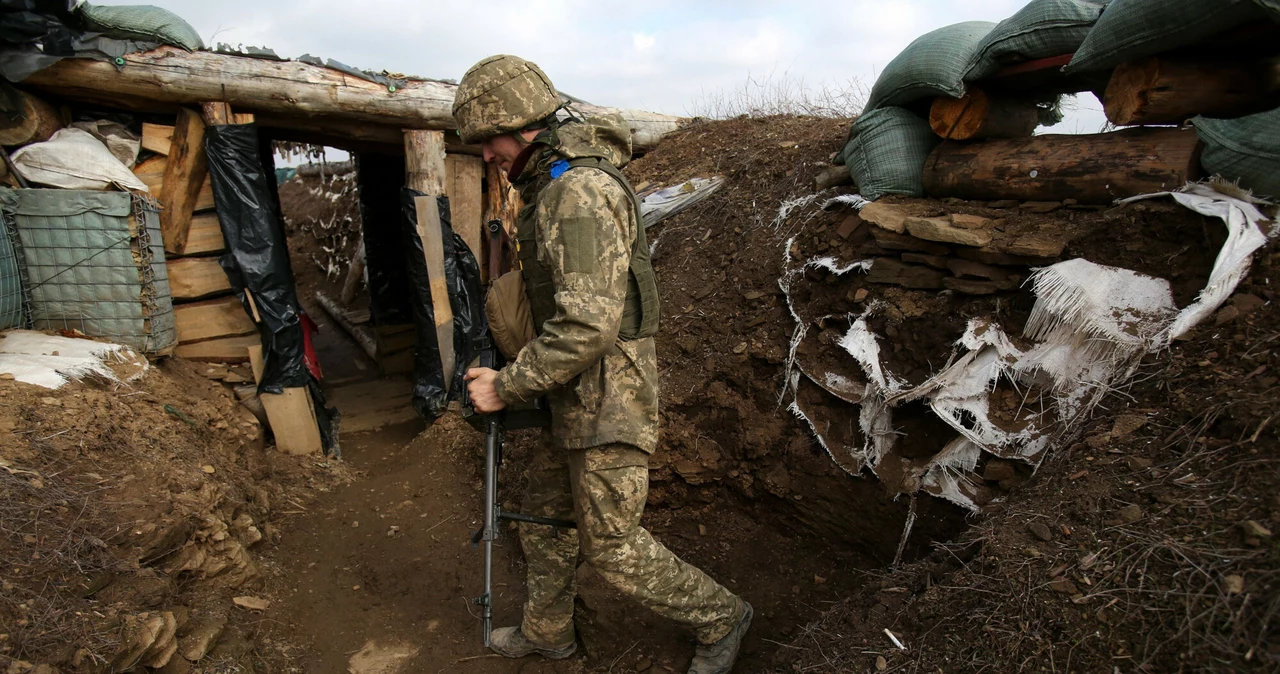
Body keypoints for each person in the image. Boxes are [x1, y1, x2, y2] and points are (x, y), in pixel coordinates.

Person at [456, 54, 752, 674]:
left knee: (612, 545)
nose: (486, 154)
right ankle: (548, 630)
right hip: (563, 389)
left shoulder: (578, 192)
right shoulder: (552, 182)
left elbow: (589, 326)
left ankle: (722, 616)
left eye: (488, 139)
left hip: (606, 398)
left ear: (522, 125)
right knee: (544, 517)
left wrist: (506, 386)